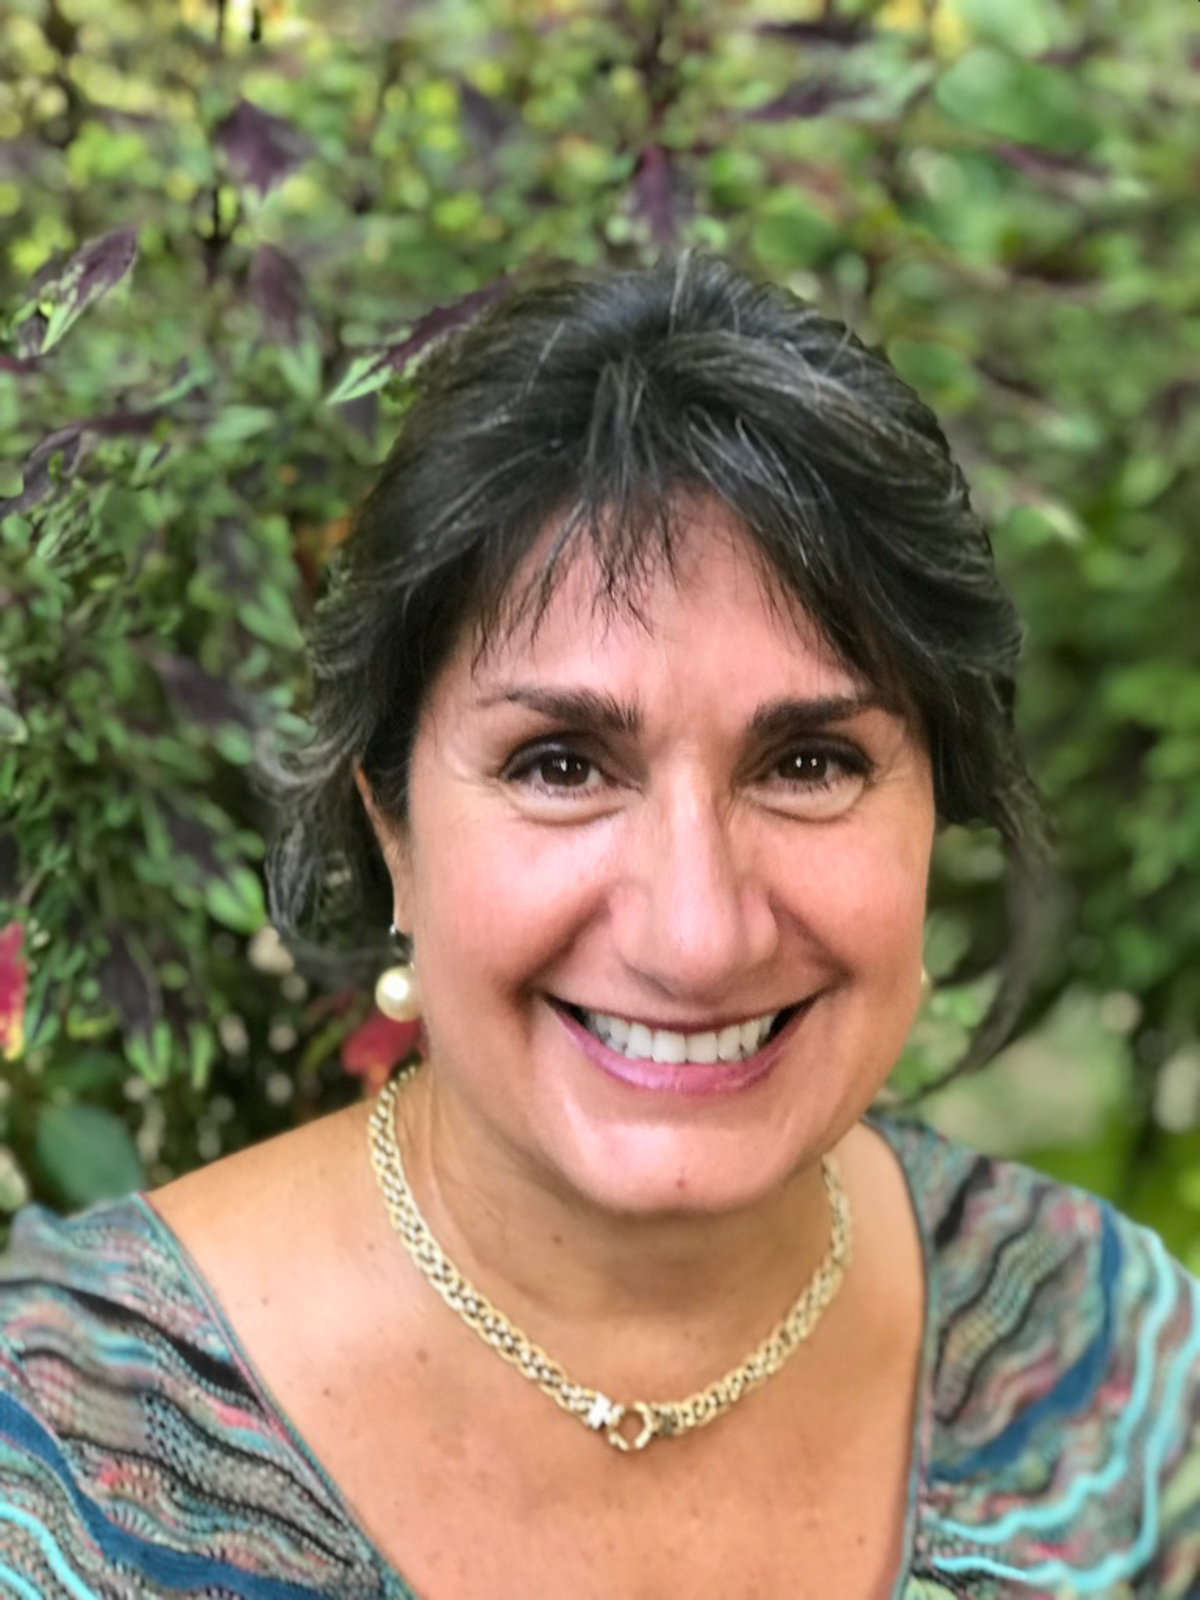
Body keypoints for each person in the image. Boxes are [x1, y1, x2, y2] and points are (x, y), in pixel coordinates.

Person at [1, 253, 1196, 1598]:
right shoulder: (56, 1464)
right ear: (389, 828)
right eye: (561, 765)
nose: (696, 934)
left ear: (936, 817)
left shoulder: (1112, 1379)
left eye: (808, 763)